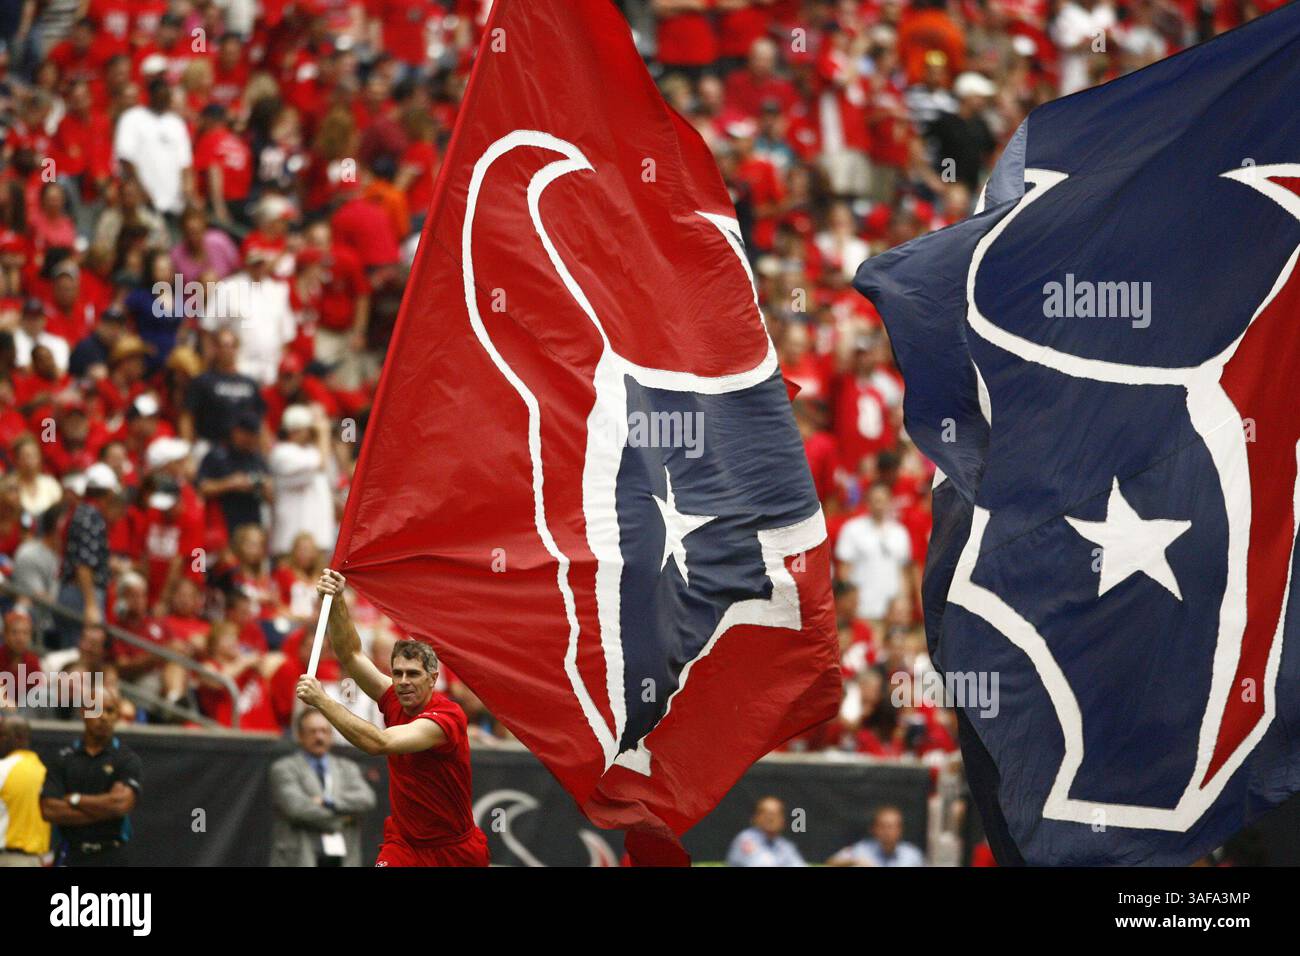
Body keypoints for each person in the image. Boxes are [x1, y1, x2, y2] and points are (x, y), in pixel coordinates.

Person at [295, 568, 489, 867]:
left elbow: (379, 742)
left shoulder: (447, 717)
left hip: (454, 850)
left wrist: (322, 700)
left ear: (433, 678)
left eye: (413, 674)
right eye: (397, 673)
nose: (403, 681)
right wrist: (337, 601)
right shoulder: (395, 696)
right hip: (405, 845)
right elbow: (352, 655)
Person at [40, 688, 143, 866]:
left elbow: (120, 805)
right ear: (83, 712)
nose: (103, 717)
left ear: (117, 715)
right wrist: (105, 808)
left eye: (110, 710)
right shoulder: (63, 758)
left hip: (111, 855)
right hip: (71, 854)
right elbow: (49, 810)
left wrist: (74, 799)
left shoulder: (126, 759)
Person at [269, 707, 377, 866]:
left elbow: (366, 799)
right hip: (299, 858)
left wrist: (328, 802)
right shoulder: (283, 768)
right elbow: (297, 808)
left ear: (331, 735)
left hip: (343, 859)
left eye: (323, 731)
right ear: (299, 735)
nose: (319, 736)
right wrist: (344, 818)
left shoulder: (347, 767)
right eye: (312, 731)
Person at [0, 716, 51, 866]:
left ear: (19, 738)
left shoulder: (3, 768)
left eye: (2, 735)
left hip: (6, 859)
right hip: (36, 860)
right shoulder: (43, 770)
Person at [827, 805, 926, 867]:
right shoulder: (862, 849)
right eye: (883, 826)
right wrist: (854, 861)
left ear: (900, 830)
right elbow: (831, 863)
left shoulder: (912, 855)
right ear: (874, 829)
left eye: (891, 827)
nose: (887, 832)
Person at [726, 795, 805, 867]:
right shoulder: (746, 839)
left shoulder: (785, 846)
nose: (770, 819)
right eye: (765, 814)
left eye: (775, 814)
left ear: (783, 820)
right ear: (755, 818)